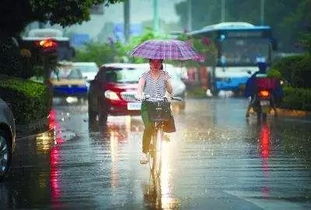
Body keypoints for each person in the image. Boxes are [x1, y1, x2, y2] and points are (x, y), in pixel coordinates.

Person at [136, 59, 173, 164]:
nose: (156, 64)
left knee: (168, 118)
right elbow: (139, 89)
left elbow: (170, 91)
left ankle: (162, 134)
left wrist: (167, 83)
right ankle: (144, 153)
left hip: (160, 105)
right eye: (153, 62)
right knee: (149, 127)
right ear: (149, 63)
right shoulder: (144, 76)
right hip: (147, 106)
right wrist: (139, 95)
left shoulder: (166, 75)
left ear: (161, 63)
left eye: (158, 62)